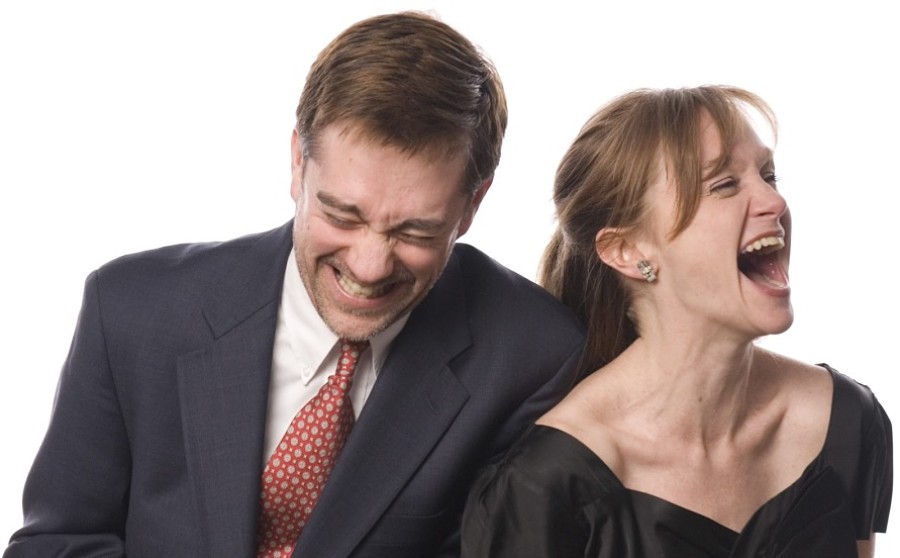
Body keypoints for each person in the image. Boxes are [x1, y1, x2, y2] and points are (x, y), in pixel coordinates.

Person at [4, 11, 585, 558]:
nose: (369, 266)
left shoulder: (532, 357)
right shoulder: (129, 311)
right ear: (297, 164)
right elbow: (57, 544)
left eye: (415, 231)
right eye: (343, 215)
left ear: (473, 204)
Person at [461, 85, 892, 557]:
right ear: (627, 250)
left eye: (769, 175)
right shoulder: (542, 486)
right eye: (725, 185)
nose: (773, 201)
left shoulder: (846, 420)